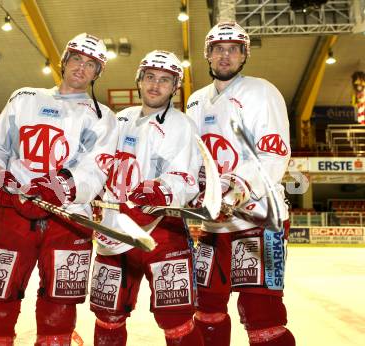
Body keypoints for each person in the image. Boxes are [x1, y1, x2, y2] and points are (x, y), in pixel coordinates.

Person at [0, 33, 118, 346]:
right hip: (14, 213)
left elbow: (97, 169)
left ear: (97, 73)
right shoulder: (24, 98)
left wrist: (61, 186)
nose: (81, 67)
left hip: (68, 217)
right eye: (76, 58)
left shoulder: (103, 117)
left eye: (91, 64)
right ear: (64, 61)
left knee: (59, 307)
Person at [186, 22, 295, 346]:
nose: (225, 55)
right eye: (218, 49)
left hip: (259, 218)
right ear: (208, 54)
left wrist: (234, 191)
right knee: (206, 310)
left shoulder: (262, 91)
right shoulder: (194, 100)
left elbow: (275, 152)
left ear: (243, 54)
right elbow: (192, 157)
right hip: (213, 225)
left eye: (233, 49)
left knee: (262, 316)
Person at [89, 50, 203, 346]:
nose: (155, 85)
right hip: (113, 233)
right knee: (107, 314)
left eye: (165, 80)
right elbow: (100, 165)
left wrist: (162, 189)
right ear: (139, 80)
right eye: (150, 77)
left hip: (162, 232)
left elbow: (187, 178)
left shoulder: (183, 125)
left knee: (175, 319)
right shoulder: (121, 119)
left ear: (175, 87)